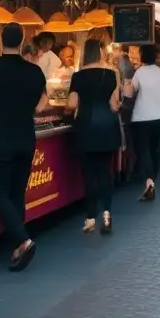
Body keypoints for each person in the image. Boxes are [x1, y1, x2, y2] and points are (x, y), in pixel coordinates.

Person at [0, 23, 48, 271]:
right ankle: (17, 246)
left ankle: (23, 240)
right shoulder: (35, 72)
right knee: (16, 193)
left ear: (1, 41)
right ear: (23, 41)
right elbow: (42, 106)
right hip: (25, 139)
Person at [66, 39, 120, 234]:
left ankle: (90, 217)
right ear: (99, 52)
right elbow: (114, 106)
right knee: (105, 172)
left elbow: (72, 104)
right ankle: (107, 214)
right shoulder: (111, 74)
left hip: (85, 127)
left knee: (89, 174)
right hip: (106, 126)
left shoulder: (78, 76)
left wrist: (66, 107)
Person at [123, 44, 160, 201]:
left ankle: (149, 181)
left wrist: (126, 84)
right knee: (154, 150)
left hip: (141, 117)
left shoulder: (139, 73)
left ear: (142, 56)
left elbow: (130, 93)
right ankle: (152, 183)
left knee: (143, 150)